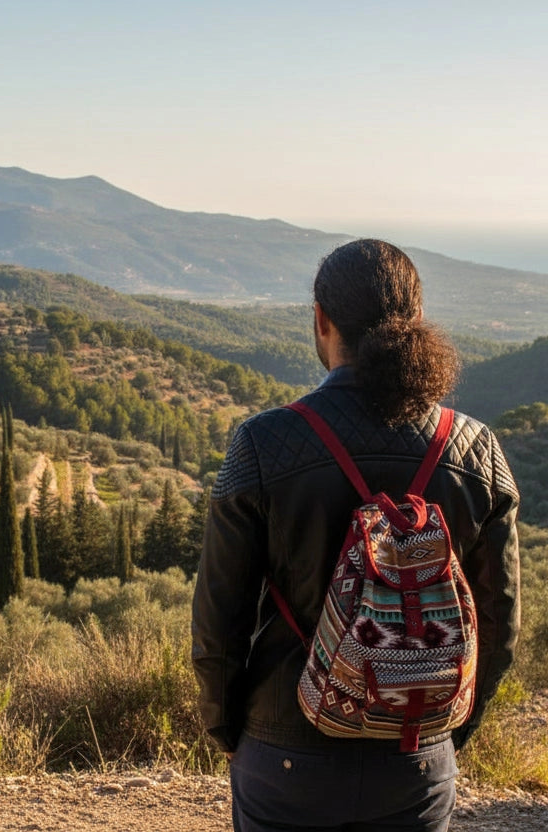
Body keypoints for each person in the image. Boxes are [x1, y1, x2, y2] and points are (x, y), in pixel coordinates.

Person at [191, 239, 520, 832]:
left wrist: (227, 728)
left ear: (321, 321)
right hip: (416, 753)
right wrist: (452, 727)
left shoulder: (262, 445)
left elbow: (219, 620)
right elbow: (500, 620)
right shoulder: (477, 449)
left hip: (285, 748)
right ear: (416, 322)